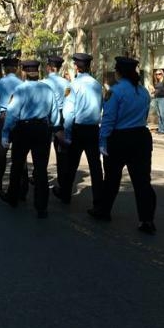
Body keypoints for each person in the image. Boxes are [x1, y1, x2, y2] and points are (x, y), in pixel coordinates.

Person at [91, 57, 157, 232]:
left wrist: (102, 141)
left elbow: (108, 119)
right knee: (142, 181)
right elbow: (144, 116)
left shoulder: (116, 91)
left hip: (119, 138)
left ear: (119, 72)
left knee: (112, 179)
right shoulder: (143, 91)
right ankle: (147, 220)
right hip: (141, 137)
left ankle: (104, 211)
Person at [0, 60, 58, 218]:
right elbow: (55, 115)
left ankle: (13, 197)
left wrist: (5, 134)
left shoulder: (20, 90)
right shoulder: (47, 89)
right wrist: (52, 127)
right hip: (42, 130)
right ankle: (41, 207)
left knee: (17, 165)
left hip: (23, 129)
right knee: (41, 169)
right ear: (38, 73)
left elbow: (12, 114)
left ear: (24, 72)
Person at [54, 53, 104, 210]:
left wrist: (67, 134)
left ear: (76, 67)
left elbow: (68, 112)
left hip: (78, 129)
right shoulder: (97, 85)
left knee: (71, 165)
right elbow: (101, 106)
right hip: (93, 130)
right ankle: (98, 202)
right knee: (95, 167)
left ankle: (65, 195)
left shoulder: (72, 85)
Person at [0, 57, 21, 193]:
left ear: (4, 69)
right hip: (19, 119)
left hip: (3, 117)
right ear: (16, 68)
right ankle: (21, 185)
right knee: (19, 152)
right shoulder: (22, 83)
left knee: (1, 152)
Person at [41, 55, 70, 190]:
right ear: (59, 68)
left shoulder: (44, 83)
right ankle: (63, 182)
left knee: (42, 150)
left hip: (47, 118)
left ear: (48, 67)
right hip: (62, 117)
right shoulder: (67, 84)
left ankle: (40, 177)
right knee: (62, 153)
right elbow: (69, 100)